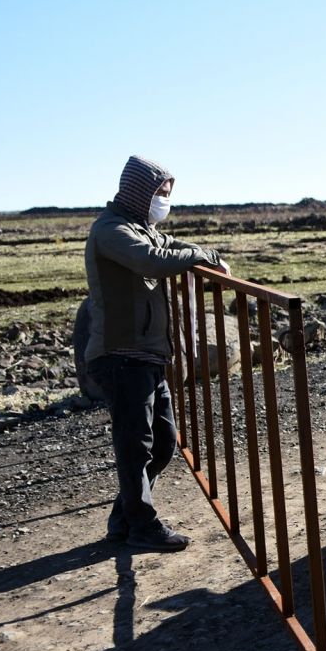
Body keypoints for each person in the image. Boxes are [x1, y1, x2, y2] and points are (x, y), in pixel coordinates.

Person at [84, 155, 229, 550]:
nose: (164, 201)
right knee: (137, 446)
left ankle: (123, 520)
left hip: (145, 355)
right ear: (139, 193)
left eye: (166, 194)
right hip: (120, 355)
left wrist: (207, 253)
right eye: (159, 194)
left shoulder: (140, 227)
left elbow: (169, 245)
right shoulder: (112, 230)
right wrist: (197, 257)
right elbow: (152, 259)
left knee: (163, 441)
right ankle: (143, 527)